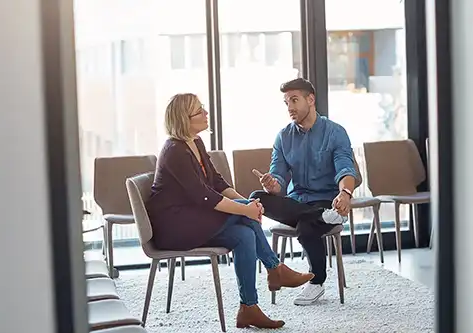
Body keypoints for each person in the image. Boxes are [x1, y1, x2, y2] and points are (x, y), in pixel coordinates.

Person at [146, 93, 314, 329]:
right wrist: (246, 208)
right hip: (174, 227)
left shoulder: (195, 142)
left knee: (244, 235)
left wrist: (246, 203)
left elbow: (216, 182)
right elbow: (204, 196)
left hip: (194, 220)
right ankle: (275, 269)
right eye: (199, 110)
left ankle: (249, 308)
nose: (205, 113)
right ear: (184, 119)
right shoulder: (174, 150)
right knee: (244, 212)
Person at [250, 78, 360, 306]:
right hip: (297, 203)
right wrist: (272, 185)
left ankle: (316, 281)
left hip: (328, 201)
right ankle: (320, 217)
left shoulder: (335, 132)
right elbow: (278, 179)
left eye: (294, 100)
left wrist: (345, 194)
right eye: (286, 102)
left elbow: (345, 168)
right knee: (256, 197)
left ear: (311, 100)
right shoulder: (283, 137)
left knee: (306, 227)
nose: (289, 107)